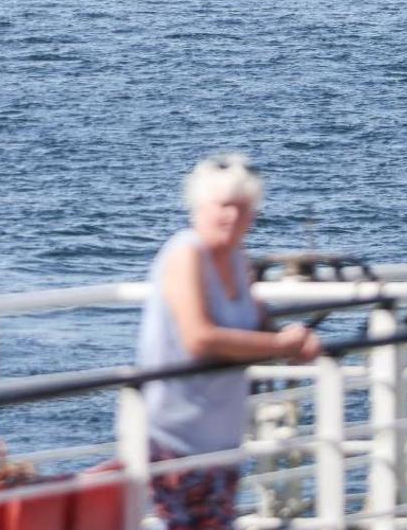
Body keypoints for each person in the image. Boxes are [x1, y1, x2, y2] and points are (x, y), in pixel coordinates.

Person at [134, 153, 321, 530]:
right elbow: (199, 338)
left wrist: (297, 342)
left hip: (222, 438)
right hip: (175, 438)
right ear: (200, 207)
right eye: (223, 206)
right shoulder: (185, 254)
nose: (231, 217)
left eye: (241, 208)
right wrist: (280, 346)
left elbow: (259, 326)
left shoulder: (237, 260)